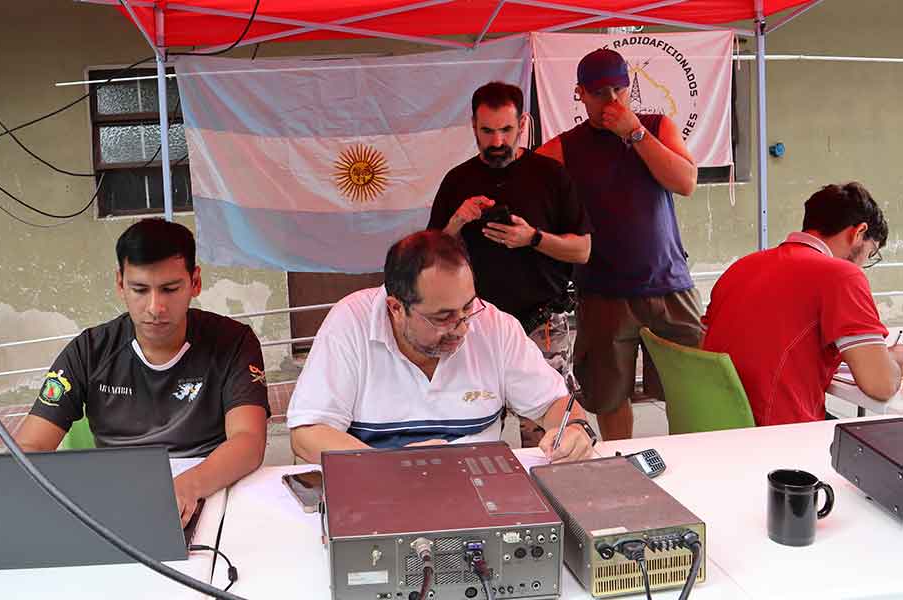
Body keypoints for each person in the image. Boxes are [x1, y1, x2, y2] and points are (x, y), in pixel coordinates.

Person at [15, 218, 270, 525]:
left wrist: (188, 486)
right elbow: (32, 445)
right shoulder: (89, 351)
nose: (155, 307)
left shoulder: (233, 342)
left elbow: (248, 442)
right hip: (116, 496)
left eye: (170, 289)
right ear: (120, 283)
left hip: (209, 489)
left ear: (195, 282)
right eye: (139, 289)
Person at [287, 230, 596, 464]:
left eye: (467, 308)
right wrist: (390, 466)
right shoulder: (350, 322)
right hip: (375, 485)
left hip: (478, 487)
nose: (462, 327)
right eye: (443, 317)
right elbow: (307, 433)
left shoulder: (493, 325)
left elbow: (555, 405)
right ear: (396, 308)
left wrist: (574, 431)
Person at [537, 48, 702, 441]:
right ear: (580, 94)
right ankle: (622, 472)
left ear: (630, 88)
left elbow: (686, 182)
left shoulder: (657, 126)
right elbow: (532, 192)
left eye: (618, 90)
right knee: (610, 398)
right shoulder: (563, 148)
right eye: (599, 93)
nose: (611, 101)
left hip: (670, 285)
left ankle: (692, 470)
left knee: (691, 392)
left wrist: (635, 134)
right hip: (602, 294)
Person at [428, 81, 592, 447]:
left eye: (506, 129)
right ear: (473, 126)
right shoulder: (457, 181)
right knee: (472, 435)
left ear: (523, 124)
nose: (498, 141)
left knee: (548, 437)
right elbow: (429, 262)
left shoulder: (551, 176)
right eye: (487, 131)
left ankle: (548, 501)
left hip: (542, 322)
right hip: (474, 326)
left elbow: (582, 250)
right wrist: (456, 222)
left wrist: (532, 238)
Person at [702, 182, 903, 425]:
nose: (862, 266)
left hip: (720, 421)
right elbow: (880, 385)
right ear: (858, 232)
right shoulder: (841, 276)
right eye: (869, 255)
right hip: (781, 432)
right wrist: (893, 359)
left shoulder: (742, 266)